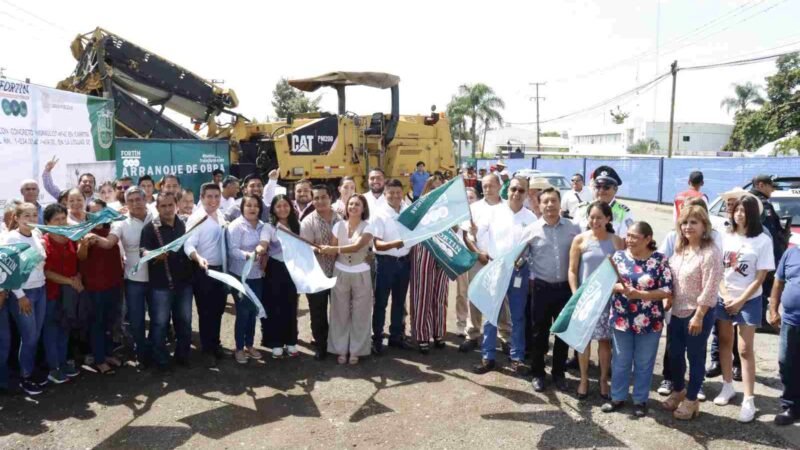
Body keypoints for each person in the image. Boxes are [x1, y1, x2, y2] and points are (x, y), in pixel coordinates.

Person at [713, 195, 775, 423]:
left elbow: (760, 277)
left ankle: (749, 398)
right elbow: (718, 270)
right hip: (724, 297)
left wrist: (740, 301)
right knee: (724, 341)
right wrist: (727, 295)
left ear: (754, 214)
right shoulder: (724, 236)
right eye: (737, 209)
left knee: (745, 349)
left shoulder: (762, 240)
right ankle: (727, 385)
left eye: (745, 210)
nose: (740, 214)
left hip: (749, 300)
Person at [602, 221, 672, 418]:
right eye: (628, 236)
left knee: (644, 362)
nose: (629, 240)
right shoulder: (619, 257)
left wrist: (641, 294)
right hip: (621, 319)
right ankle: (617, 397)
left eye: (634, 237)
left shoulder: (659, 260)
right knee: (621, 360)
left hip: (650, 321)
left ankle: (640, 400)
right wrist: (620, 289)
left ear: (648, 239)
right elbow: (607, 282)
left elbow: (667, 290)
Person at [662, 205, 723, 420]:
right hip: (676, 312)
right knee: (675, 355)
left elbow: (710, 287)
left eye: (694, 222)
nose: (688, 227)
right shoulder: (680, 249)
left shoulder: (710, 252)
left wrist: (699, 315)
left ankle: (692, 399)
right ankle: (679, 390)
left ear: (704, 225)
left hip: (698, 314)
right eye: (685, 222)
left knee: (695, 357)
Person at [474, 176, 537, 374]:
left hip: (519, 272)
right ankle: (488, 356)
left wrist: (527, 265)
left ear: (526, 194)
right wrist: (477, 239)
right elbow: (479, 237)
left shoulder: (531, 218)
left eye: (521, 190)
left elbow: (534, 248)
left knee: (518, 317)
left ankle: (517, 358)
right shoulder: (493, 213)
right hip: (496, 269)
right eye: (513, 189)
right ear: (507, 191)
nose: (516, 194)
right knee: (491, 315)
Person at [90, 187, 153, 368]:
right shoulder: (121, 222)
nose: (135, 203)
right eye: (130, 200)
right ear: (126, 203)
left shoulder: (154, 216)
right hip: (133, 279)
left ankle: (156, 350)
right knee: (136, 319)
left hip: (157, 277)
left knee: (158, 318)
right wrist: (93, 237)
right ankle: (141, 354)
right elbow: (110, 242)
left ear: (145, 199)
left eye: (137, 199)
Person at [567, 201, 624, 399]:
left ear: (608, 219)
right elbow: (572, 270)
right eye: (591, 217)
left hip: (608, 299)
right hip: (585, 299)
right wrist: (576, 294)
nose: (595, 221)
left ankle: (602, 380)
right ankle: (583, 380)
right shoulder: (580, 240)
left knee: (604, 342)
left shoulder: (617, 241)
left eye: (599, 217)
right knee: (582, 342)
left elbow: (622, 271)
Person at [527, 187, 581, 392]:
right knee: (538, 334)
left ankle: (558, 373)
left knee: (562, 334)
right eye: (545, 201)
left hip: (565, 290)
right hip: (541, 289)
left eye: (553, 201)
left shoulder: (573, 228)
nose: (550, 205)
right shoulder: (531, 230)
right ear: (539, 205)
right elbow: (519, 256)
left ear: (560, 203)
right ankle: (538, 373)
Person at [317, 194, 375, 364]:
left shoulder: (369, 227)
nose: (353, 207)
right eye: (351, 204)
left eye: (357, 204)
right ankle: (340, 349)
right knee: (339, 312)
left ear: (363, 208)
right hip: (340, 272)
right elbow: (333, 248)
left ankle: (357, 350)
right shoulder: (338, 225)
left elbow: (357, 246)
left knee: (361, 313)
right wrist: (329, 249)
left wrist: (332, 249)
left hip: (362, 273)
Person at [140, 193, 195, 371]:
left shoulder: (185, 224)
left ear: (176, 205)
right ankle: (160, 359)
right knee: (160, 323)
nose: (167, 209)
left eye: (170, 205)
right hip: (160, 286)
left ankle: (183, 355)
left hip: (184, 284)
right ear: (157, 208)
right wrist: (154, 254)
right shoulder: (150, 228)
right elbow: (143, 252)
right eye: (163, 206)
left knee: (185, 321)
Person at [461, 173, 511, 353]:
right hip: (478, 258)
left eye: (491, 185)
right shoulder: (474, 208)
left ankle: (505, 336)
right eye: (485, 186)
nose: (488, 189)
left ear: (499, 186)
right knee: (475, 297)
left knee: (502, 299)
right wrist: (478, 253)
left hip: (500, 260)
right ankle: (473, 334)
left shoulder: (508, 208)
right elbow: (466, 235)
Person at [3, 203, 48, 395]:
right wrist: (20, 296)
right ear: (17, 218)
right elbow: (7, 271)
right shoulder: (12, 238)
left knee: (35, 336)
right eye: (26, 215)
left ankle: (29, 371)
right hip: (23, 294)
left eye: (34, 215)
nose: (31, 219)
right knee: (29, 337)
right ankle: (25, 377)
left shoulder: (37, 234)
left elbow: (41, 260)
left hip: (40, 289)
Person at [184, 183, 229, 368]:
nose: (213, 200)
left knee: (218, 309)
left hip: (221, 271)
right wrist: (198, 258)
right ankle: (207, 349)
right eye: (209, 197)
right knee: (206, 311)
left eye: (216, 196)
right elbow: (188, 245)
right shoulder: (197, 218)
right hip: (203, 271)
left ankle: (215, 343)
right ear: (201, 198)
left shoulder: (220, 215)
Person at [41, 204, 85, 384]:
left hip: (70, 294)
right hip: (51, 294)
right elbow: (45, 272)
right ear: (47, 223)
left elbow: (78, 263)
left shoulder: (70, 239)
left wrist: (78, 278)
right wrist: (69, 281)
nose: (60, 222)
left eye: (62, 219)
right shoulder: (43, 242)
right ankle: (53, 368)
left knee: (65, 328)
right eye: (56, 220)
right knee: (51, 330)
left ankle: (62, 363)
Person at [80, 199, 124, 375]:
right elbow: (81, 257)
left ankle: (107, 354)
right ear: (88, 215)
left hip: (114, 283)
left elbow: (114, 248)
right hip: (95, 287)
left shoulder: (114, 229)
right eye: (93, 212)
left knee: (110, 322)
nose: (97, 215)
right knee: (97, 323)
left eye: (100, 211)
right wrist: (84, 244)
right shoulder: (84, 232)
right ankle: (98, 360)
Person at [707, 189, 747, 381]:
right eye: (729, 205)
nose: (731, 208)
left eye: (734, 204)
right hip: (721, 287)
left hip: (743, 291)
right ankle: (717, 361)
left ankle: (738, 365)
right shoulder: (722, 230)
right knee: (719, 328)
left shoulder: (756, 232)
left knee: (739, 331)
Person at [408, 175, 450, 354]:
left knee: (440, 293)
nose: (436, 192)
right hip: (424, 248)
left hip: (444, 249)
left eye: (439, 188)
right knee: (422, 293)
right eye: (433, 188)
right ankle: (422, 335)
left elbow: (454, 228)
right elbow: (411, 223)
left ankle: (438, 333)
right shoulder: (420, 206)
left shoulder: (449, 208)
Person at [371, 179, 413, 353]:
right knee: (381, 303)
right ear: (385, 194)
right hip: (385, 263)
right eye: (391, 193)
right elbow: (377, 245)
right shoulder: (379, 214)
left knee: (399, 302)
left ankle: (396, 336)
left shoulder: (407, 211)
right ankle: (377, 339)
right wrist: (396, 244)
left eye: (398, 192)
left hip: (404, 263)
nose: (395, 196)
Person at [300, 185, 341, 359]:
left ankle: (337, 344)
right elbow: (304, 246)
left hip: (339, 273)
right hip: (316, 274)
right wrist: (319, 250)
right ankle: (321, 345)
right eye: (316, 198)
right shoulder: (308, 221)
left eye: (323, 197)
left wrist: (335, 249)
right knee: (318, 312)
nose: (320, 201)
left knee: (340, 311)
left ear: (330, 198)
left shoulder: (341, 219)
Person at [257, 194, 301, 359]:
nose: (283, 209)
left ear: (290, 207)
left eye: (285, 205)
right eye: (279, 206)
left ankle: (291, 342)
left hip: (293, 270)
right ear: (273, 210)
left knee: (290, 306)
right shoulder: (269, 227)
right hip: (275, 270)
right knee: (274, 306)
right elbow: (263, 243)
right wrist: (260, 249)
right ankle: (275, 343)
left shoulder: (297, 225)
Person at [226, 194, 265, 364]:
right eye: (248, 205)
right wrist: (248, 255)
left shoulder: (263, 226)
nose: (252, 208)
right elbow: (232, 250)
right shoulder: (236, 226)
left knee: (253, 312)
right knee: (243, 312)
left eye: (255, 205)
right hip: (241, 276)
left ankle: (250, 344)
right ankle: (239, 348)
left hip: (257, 275)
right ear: (242, 207)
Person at [750, 174, 789, 334]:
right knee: (764, 287)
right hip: (765, 254)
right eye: (770, 186)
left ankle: (758, 319)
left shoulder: (754, 201)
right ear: (760, 185)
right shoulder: (759, 203)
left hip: (761, 254)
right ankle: (759, 321)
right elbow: (768, 233)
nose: (772, 189)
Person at [769, 245, 800, 425]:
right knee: (786, 362)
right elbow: (778, 283)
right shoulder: (791, 253)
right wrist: (773, 310)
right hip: (790, 320)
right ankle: (791, 405)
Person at [574, 166, 633, 238]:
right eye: (598, 186)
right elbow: (573, 236)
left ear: (615, 189)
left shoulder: (624, 213)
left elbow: (625, 242)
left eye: (606, 187)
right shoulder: (582, 209)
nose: (601, 190)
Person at [454, 187, 480, 337]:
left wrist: (475, 233)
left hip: (478, 257)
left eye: (471, 197)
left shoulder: (481, 215)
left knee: (475, 293)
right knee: (462, 293)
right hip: (463, 257)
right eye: (466, 198)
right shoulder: (458, 217)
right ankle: (461, 322)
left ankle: (473, 324)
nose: (469, 200)